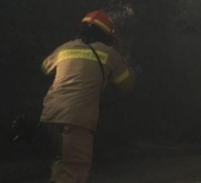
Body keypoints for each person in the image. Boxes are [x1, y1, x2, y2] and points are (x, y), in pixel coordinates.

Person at [40, 10, 135, 183]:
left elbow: (45, 68)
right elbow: (126, 84)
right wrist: (121, 55)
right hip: (77, 119)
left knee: (62, 164)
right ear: (108, 36)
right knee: (75, 173)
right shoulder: (109, 53)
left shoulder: (65, 48)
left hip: (50, 116)